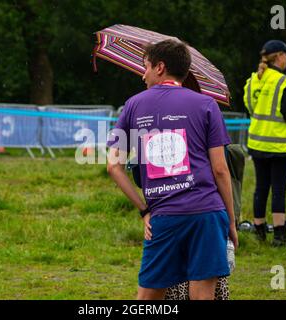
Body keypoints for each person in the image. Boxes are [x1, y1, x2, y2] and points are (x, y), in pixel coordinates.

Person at [107, 39, 238, 300]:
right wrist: (231, 221)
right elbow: (221, 170)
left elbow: (113, 166)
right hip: (208, 213)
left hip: (163, 216)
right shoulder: (207, 105)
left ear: (160, 67)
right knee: (203, 295)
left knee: (147, 299)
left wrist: (144, 210)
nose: (142, 74)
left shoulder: (133, 105)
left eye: (144, 67)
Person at [243, 40, 286, 246]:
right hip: (279, 144)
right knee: (279, 189)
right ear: (279, 57)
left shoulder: (253, 80)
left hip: (257, 142)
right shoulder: (284, 82)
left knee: (261, 187)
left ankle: (259, 230)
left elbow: (251, 107)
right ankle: (280, 235)